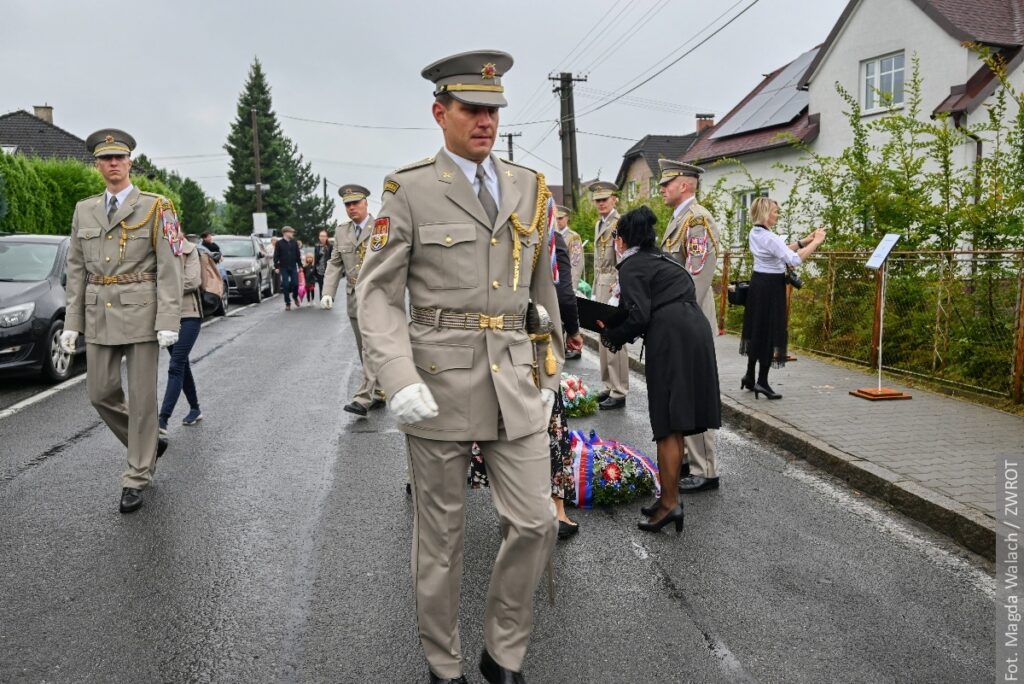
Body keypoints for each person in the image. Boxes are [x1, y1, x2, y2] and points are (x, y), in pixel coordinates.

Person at [356, 50, 563, 684]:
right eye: (473, 108)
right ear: (439, 111)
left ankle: (503, 653)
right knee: (441, 543)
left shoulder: (530, 186)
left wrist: (551, 360)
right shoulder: (409, 189)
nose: (487, 120)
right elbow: (377, 295)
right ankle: (443, 665)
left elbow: (539, 285)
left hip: (515, 380)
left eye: (494, 109)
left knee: (534, 522)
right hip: (437, 382)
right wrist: (397, 377)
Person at [60, 128, 183, 514]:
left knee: (144, 400)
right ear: (97, 165)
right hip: (99, 311)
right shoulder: (85, 209)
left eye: (119, 158)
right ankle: (149, 441)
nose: (113, 164)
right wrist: (70, 323)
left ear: (130, 162)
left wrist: (169, 319)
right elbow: (76, 268)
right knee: (100, 393)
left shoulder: (157, 206)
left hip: (143, 311)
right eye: (105, 159)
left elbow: (171, 265)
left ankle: (137, 475)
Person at [598, 206, 721, 535]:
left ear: (622, 241)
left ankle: (669, 504)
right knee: (677, 419)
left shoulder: (632, 265)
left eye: (616, 239)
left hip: (672, 338)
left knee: (667, 424)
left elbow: (638, 315)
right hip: (694, 331)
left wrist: (611, 335)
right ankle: (668, 497)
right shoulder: (664, 259)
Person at [657, 159, 722, 493]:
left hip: (690, 315)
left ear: (685, 184)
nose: (662, 189)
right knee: (679, 389)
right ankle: (683, 458)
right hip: (679, 315)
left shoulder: (697, 220)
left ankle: (706, 468)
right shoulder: (679, 219)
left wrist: (681, 316)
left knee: (695, 390)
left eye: (667, 183)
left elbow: (698, 274)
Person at [740, 197, 826, 399]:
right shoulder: (769, 237)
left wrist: (804, 240)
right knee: (769, 331)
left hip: (758, 284)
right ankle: (762, 381)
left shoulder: (757, 232)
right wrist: (817, 242)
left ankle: (750, 375)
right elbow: (794, 259)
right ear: (765, 213)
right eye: (775, 211)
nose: (777, 215)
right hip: (771, 287)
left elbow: (780, 248)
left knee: (756, 329)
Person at [321, 184, 385, 416]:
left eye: (356, 203)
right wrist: (328, 292)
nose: (352, 208)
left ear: (366, 203)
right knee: (363, 348)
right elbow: (335, 262)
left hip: (377, 296)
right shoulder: (341, 231)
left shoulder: (381, 228)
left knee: (369, 347)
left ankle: (363, 397)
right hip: (353, 297)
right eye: (347, 205)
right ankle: (378, 391)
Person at [590, 180, 628, 410]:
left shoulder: (619, 223)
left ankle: (619, 389)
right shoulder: (600, 224)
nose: (601, 203)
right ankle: (608, 384)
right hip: (600, 282)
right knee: (602, 336)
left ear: (614, 199)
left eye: (604, 199)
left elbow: (624, 257)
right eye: (597, 200)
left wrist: (619, 287)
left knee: (615, 337)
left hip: (613, 282)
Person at [159, 238, 203, 435]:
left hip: (189, 315)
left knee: (175, 365)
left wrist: (163, 287)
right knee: (182, 363)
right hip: (166, 317)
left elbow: (193, 281)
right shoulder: (157, 251)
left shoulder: (190, 250)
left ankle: (162, 420)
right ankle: (195, 409)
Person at [555, 204, 584, 360]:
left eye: (561, 218)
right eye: (556, 218)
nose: (558, 221)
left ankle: (567, 346)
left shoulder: (572, 237)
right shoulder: (548, 234)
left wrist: (571, 287)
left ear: (567, 219)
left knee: (566, 315)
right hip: (553, 285)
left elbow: (575, 263)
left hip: (565, 284)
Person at [274, 226, 302, 309]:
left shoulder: (294, 242)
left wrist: (300, 265)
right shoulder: (279, 243)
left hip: (293, 266)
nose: (292, 234)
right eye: (291, 232)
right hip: (284, 267)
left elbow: (298, 255)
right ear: (286, 233)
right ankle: (287, 303)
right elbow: (276, 256)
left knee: (295, 284)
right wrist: (277, 267)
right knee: (285, 285)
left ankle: (295, 296)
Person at [313, 229, 332, 300]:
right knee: (321, 286)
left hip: (328, 270)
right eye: (321, 236)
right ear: (319, 237)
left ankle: (328, 299)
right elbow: (315, 258)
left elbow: (332, 257)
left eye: (324, 236)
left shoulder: (330, 246)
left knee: (328, 286)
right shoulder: (317, 246)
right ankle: (322, 300)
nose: (322, 238)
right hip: (319, 270)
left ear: (327, 237)